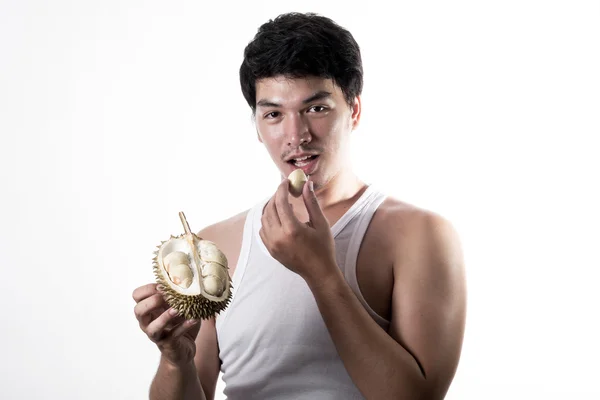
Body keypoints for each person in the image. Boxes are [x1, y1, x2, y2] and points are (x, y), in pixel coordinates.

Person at [132, 11, 467, 400]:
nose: (297, 135)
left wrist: (321, 272)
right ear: (257, 126)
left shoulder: (419, 235)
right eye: (273, 114)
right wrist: (176, 360)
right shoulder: (217, 246)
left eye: (316, 108)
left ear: (353, 110)